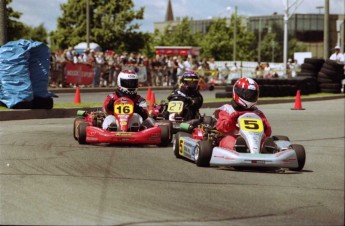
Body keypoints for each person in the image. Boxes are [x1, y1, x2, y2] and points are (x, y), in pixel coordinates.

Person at [214, 77, 272, 150]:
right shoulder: (227, 109)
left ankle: (266, 148)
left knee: (264, 138)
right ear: (237, 92)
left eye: (252, 94)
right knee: (228, 140)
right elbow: (221, 127)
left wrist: (265, 126)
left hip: (255, 139)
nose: (250, 97)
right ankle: (238, 147)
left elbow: (268, 131)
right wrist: (231, 119)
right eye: (248, 94)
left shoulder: (257, 113)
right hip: (234, 137)